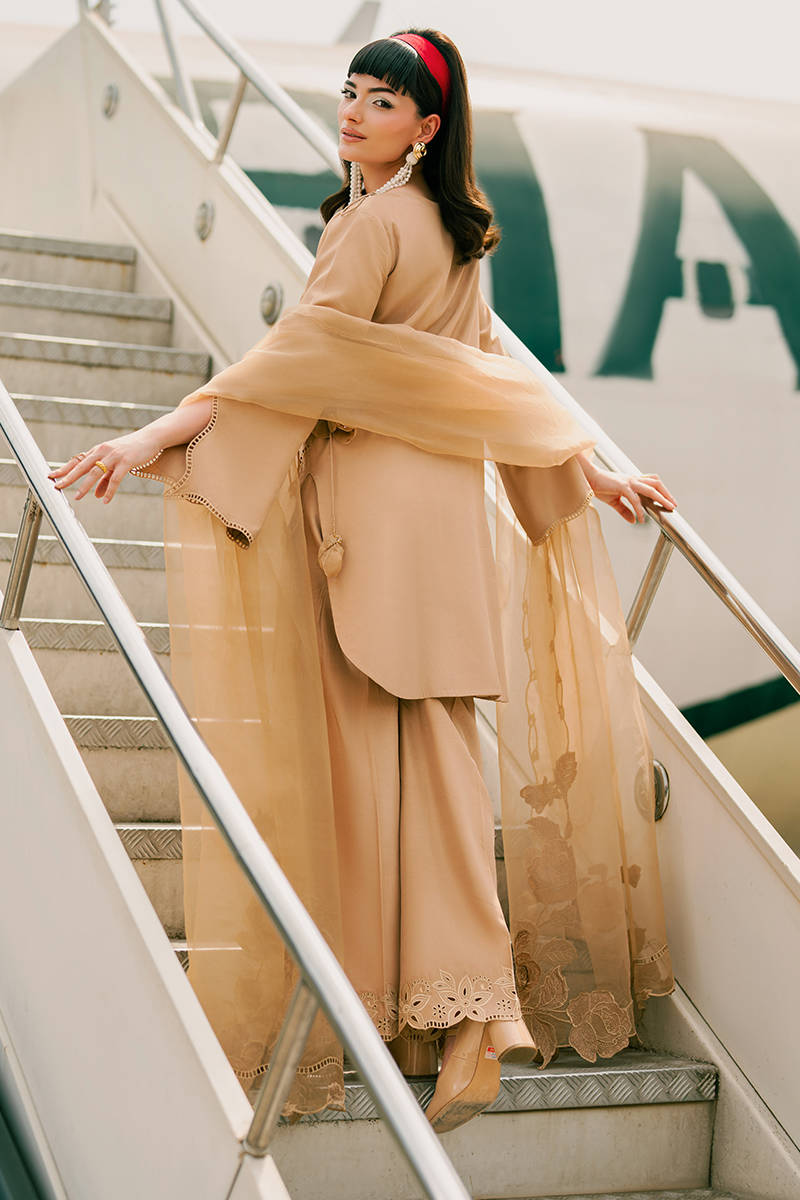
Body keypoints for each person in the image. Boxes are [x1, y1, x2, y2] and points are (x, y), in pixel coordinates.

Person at [49, 29, 677, 1133]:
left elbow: (298, 364)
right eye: (348, 92)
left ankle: (459, 1015)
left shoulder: (368, 225)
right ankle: (448, 1018)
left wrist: (157, 435)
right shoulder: (455, 233)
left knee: (380, 776)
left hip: (367, 523)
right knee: (429, 767)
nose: (351, 112)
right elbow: (483, 382)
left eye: (379, 101)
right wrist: (590, 465)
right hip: (435, 522)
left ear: (425, 128)